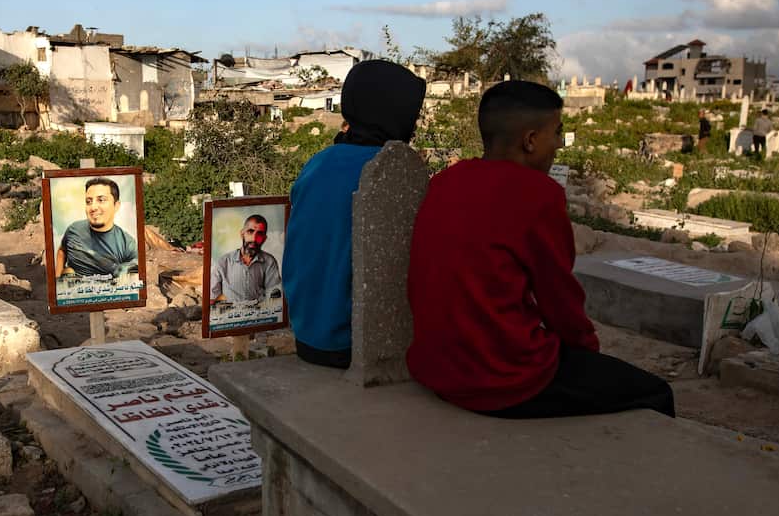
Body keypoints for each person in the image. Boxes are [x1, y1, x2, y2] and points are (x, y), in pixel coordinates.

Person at [407, 80, 674, 419]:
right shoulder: (538, 195)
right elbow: (560, 301)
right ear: (531, 140)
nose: (559, 145)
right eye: (557, 133)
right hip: (500, 380)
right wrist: (587, 357)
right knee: (656, 393)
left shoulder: (446, 181)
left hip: (436, 369)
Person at [283, 59, 425, 368]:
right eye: (413, 114)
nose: (415, 124)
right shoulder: (391, 169)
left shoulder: (319, 162)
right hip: (356, 344)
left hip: (307, 336)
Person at [55, 177, 138, 278]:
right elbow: (62, 251)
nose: (93, 207)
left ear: (116, 206)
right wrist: (57, 281)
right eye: (89, 201)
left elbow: (137, 269)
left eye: (101, 200)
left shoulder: (127, 243)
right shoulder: (74, 230)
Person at [210, 214, 282, 303]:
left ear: (264, 238)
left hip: (260, 314)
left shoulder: (269, 261)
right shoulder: (224, 261)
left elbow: (274, 295)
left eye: (259, 234)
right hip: (232, 314)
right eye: (250, 231)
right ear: (242, 234)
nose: (254, 238)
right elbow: (211, 297)